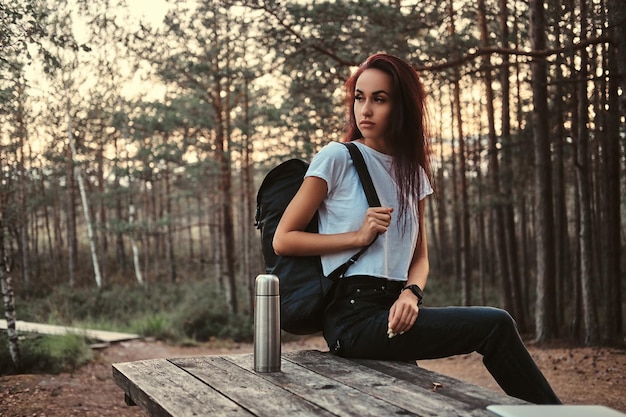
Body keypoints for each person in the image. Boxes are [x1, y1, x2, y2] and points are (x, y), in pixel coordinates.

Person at [273, 53, 561, 405]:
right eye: (359, 98)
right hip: (352, 317)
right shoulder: (337, 157)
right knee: (494, 324)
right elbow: (283, 239)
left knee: (417, 401)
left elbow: (420, 257)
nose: (365, 110)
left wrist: (411, 294)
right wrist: (358, 237)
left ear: (402, 107)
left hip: (395, 310)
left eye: (379, 99)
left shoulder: (413, 173)